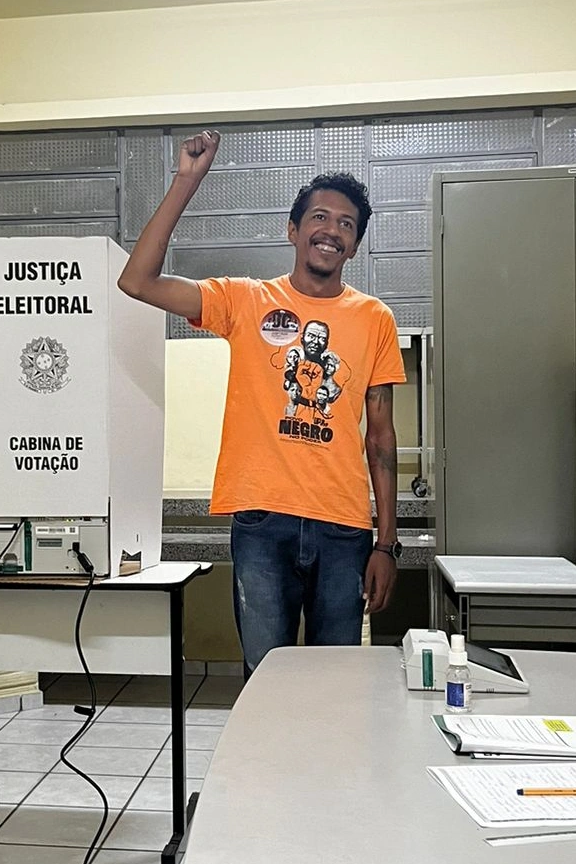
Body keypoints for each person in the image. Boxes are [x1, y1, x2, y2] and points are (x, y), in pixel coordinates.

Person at [117, 129, 406, 677]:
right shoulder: (245, 300)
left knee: (337, 686)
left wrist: (386, 545)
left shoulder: (375, 319)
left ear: (355, 244)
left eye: (347, 225)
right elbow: (138, 280)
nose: (332, 231)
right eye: (320, 217)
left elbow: (381, 437)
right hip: (262, 524)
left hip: (344, 529)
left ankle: (325, 769)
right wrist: (187, 180)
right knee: (265, 682)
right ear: (294, 229)